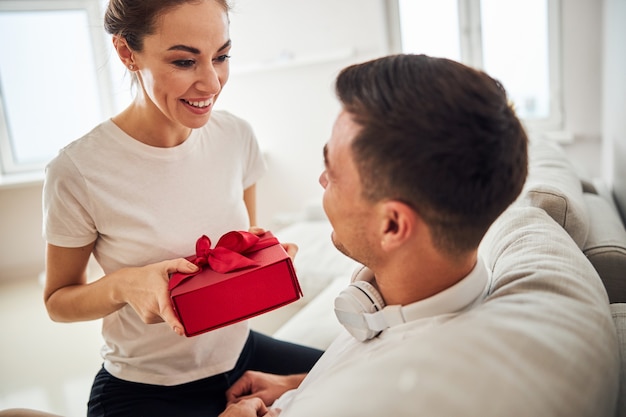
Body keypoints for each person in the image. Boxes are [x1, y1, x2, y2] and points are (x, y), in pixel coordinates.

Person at [41, 1, 322, 416]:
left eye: (222, 56)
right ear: (126, 52)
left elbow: (245, 239)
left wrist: (264, 261)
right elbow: (57, 302)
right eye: (185, 61)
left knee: (361, 382)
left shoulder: (235, 136)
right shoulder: (78, 170)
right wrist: (123, 285)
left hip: (241, 356)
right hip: (147, 387)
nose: (211, 82)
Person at [217, 53, 529, 416]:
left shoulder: (386, 398)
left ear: (392, 226)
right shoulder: (420, 301)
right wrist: (296, 383)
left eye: (332, 173)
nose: (321, 181)